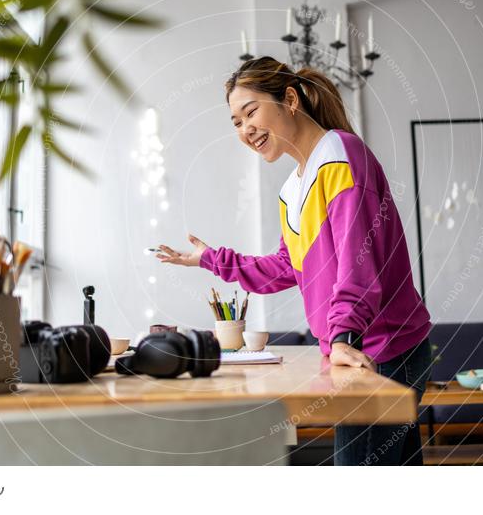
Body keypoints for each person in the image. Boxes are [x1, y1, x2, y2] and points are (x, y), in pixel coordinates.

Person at [155, 56, 432, 466]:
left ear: (289, 100)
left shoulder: (340, 155)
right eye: (235, 122)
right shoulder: (293, 189)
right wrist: (209, 260)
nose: (245, 128)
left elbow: (359, 263)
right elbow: (288, 267)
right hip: (354, 351)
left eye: (251, 112)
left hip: (378, 351)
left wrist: (341, 339)